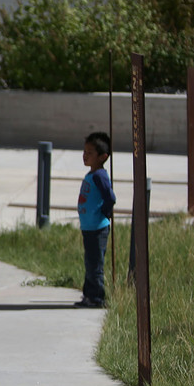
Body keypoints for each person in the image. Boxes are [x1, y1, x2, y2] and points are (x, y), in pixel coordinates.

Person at [77, 131, 116, 308]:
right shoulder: (91, 175)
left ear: (103, 157)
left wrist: (104, 214)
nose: (85, 156)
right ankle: (89, 295)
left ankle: (97, 298)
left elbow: (110, 197)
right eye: (84, 152)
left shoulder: (100, 176)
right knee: (90, 262)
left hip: (97, 228)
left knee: (95, 264)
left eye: (90, 153)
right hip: (89, 227)